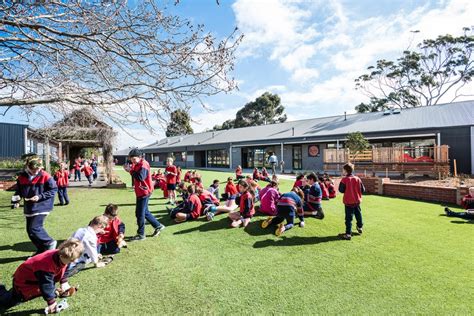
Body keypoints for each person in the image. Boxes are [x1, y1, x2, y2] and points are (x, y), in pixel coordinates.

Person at [0, 239, 84, 313]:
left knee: (48, 290)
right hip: (24, 281)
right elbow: (45, 285)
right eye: (70, 260)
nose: (72, 262)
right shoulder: (46, 266)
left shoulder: (60, 255)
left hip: (36, 279)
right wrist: (51, 303)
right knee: (9, 301)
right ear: (62, 254)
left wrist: (64, 282)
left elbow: (63, 268)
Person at [15, 156, 58, 254]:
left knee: (34, 228)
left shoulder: (46, 176)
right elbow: (18, 191)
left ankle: (49, 242)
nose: (36, 171)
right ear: (28, 167)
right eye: (34, 169)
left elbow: (54, 189)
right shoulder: (21, 177)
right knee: (30, 232)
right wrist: (16, 201)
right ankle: (41, 249)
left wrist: (39, 196)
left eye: (38, 168)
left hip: (43, 205)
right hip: (29, 207)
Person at [124, 149, 165, 241]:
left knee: (139, 213)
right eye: (131, 159)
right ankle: (158, 226)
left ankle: (141, 234)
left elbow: (140, 177)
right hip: (141, 191)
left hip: (144, 191)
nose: (132, 161)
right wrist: (130, 168)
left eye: (134, 159)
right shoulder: (138, 163)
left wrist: (130, 170)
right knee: (145, 212)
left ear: (140, 157)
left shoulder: (144, 164)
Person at [62, 215, 109, 280]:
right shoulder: (91, 237)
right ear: (100, 226)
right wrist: (97, 263)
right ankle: (64, 275)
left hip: (62, 254)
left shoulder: (80, 230)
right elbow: (92, 253)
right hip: (70, 262)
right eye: (102, 228)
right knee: (83, 263)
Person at [338, 163, 365, 240]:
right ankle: (360, 227)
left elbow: (341, 190)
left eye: (343, 170)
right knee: (358, 215)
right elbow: (363, 190)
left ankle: (348, 234)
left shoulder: (344, 179)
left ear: (345, 170)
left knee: (348, 218)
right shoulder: (358, 179)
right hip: (357, 201)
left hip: (348, 202)